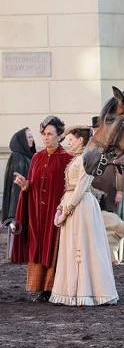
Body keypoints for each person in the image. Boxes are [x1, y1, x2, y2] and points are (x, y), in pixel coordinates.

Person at [49, 126, 119, 306]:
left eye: (71, 139)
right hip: (73, 204)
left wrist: (69, 208)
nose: (68, 142)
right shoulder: (78, 159)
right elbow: (70, 187)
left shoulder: (87, 159)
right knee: (73, 246)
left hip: (82, 206)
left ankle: (90, 292)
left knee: (85, 246)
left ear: (81, 140)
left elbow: (81, 185)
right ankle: (74, 290)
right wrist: (62, 206)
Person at [10, 116, 74, 300]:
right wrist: (25, 185)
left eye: (50, 134)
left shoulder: (67, 159)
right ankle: (39, 287)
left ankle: (51, 288)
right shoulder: (37, 157)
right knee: (38, 246)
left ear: (59, 136)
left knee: (53, 246)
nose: (45, 138)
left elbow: (70, 187)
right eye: (43, 134)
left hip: (56, 213)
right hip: (37, 215)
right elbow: (33, 184)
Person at [3, 127, 36, 257]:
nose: (32, 139)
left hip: (27, 196)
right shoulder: (17, 156)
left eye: (32, 136)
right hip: (19, 198)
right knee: (17, 226)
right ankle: (15, 253)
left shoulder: (29, 156)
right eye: (28, 137)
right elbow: (15, 184)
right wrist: (14, 209)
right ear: (21, 140)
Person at [89, 116, 124, 214]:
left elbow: (119, 172)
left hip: (109, 191)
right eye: (95, 129)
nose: (97, 132)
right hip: (92, 191)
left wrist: (120, 191)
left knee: (110, 220)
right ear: (92, 131)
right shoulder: (88, 148)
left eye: (100, 129)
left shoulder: (113, 148)